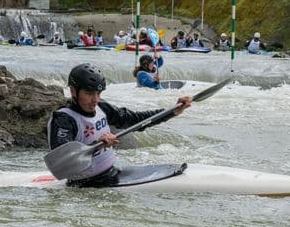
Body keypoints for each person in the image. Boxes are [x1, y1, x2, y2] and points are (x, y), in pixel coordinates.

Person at [47, 63, 193, 187]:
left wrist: (172, 111)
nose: (95, 99)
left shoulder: (101, 107)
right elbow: (62, 161)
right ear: (73, 91)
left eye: (98, 93)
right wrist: (98, 144)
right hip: (86, 185)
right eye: (89, 93)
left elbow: (136, 120)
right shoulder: (63, 119)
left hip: (111, 173)